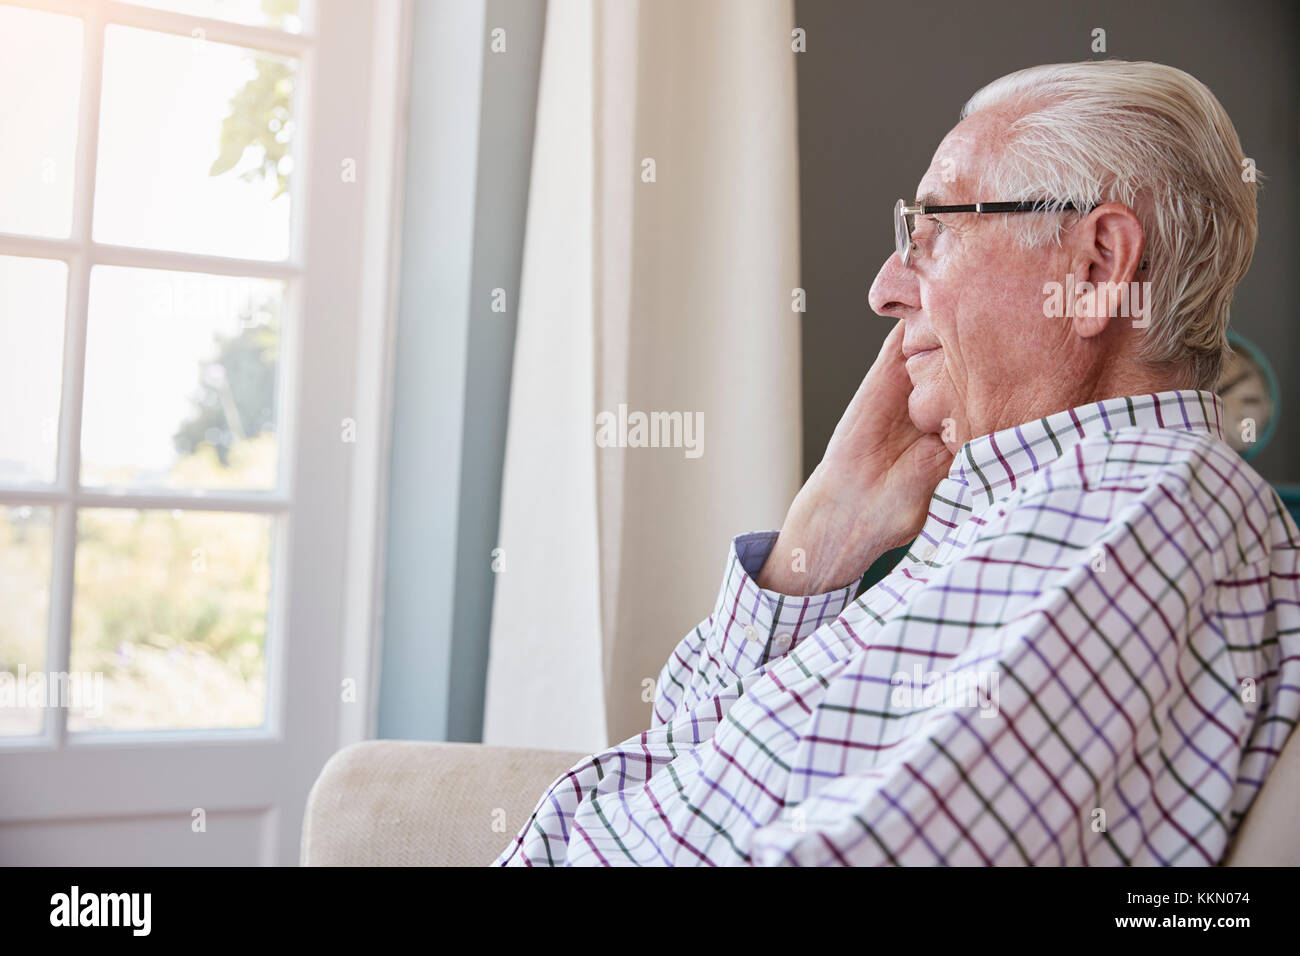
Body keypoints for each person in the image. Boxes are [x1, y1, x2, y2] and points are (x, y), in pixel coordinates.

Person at [495, 60, 1299, 866]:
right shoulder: (1039, 511)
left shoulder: (1146, 508)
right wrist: (819, 541)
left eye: (933, 233)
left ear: (1096, 269)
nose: (885, 290)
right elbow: (675, 765)